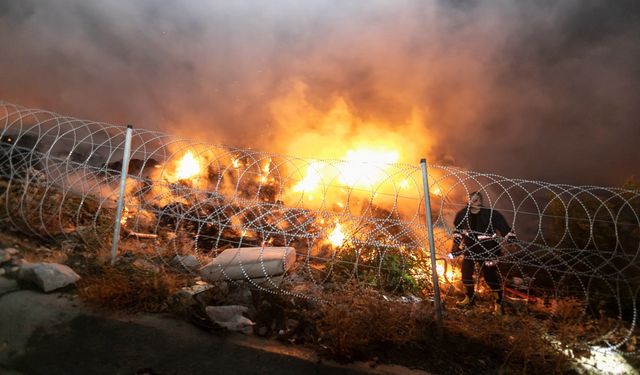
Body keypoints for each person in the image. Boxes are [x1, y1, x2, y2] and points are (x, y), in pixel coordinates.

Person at [449, 191, 516, 315]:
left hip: (488, 250)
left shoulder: (491, 214)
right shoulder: (462, 215)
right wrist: (455, 245)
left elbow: (504, 227)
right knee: (466, 273)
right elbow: (458, 232)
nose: (476, 202)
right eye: (473, 199)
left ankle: (499, 304)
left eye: (478, 199)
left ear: (481, 200)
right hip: (470, 248)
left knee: (490, 277)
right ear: (468, 201)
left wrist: (511, 239)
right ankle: (469, 298)